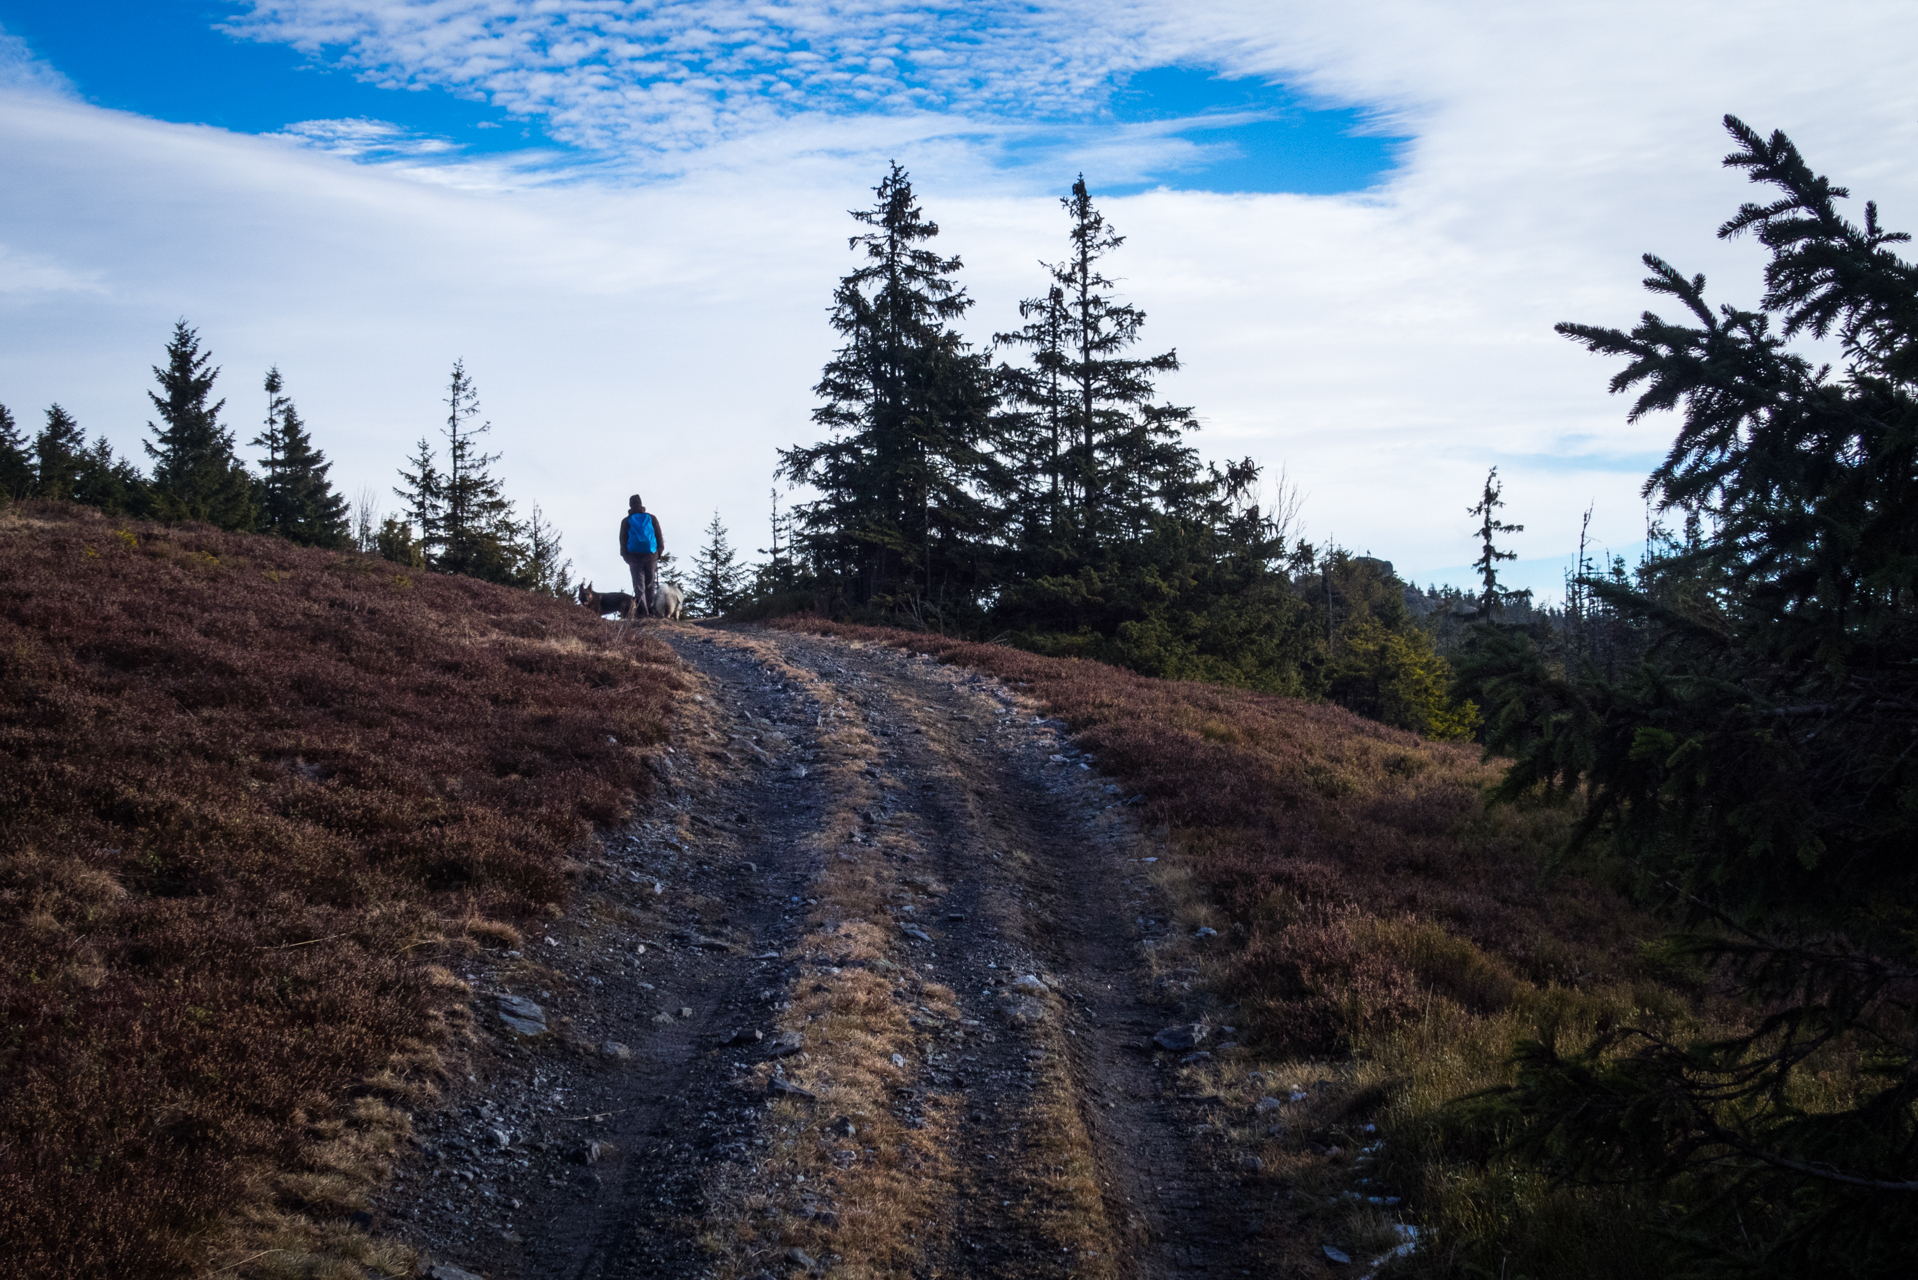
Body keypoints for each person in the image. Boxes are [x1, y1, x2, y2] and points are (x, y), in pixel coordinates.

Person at [619, 495, 664, 616]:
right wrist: (658, 552)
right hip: (651, 556)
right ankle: (651, 611)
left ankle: (643, 613)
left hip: (634, 558)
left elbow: (623, 540)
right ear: (641, 503)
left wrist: (626, 556)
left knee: (639, 586)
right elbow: (659, 536)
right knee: (650, 584)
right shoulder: (651, 518)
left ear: (630, 505)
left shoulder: (626, 521)